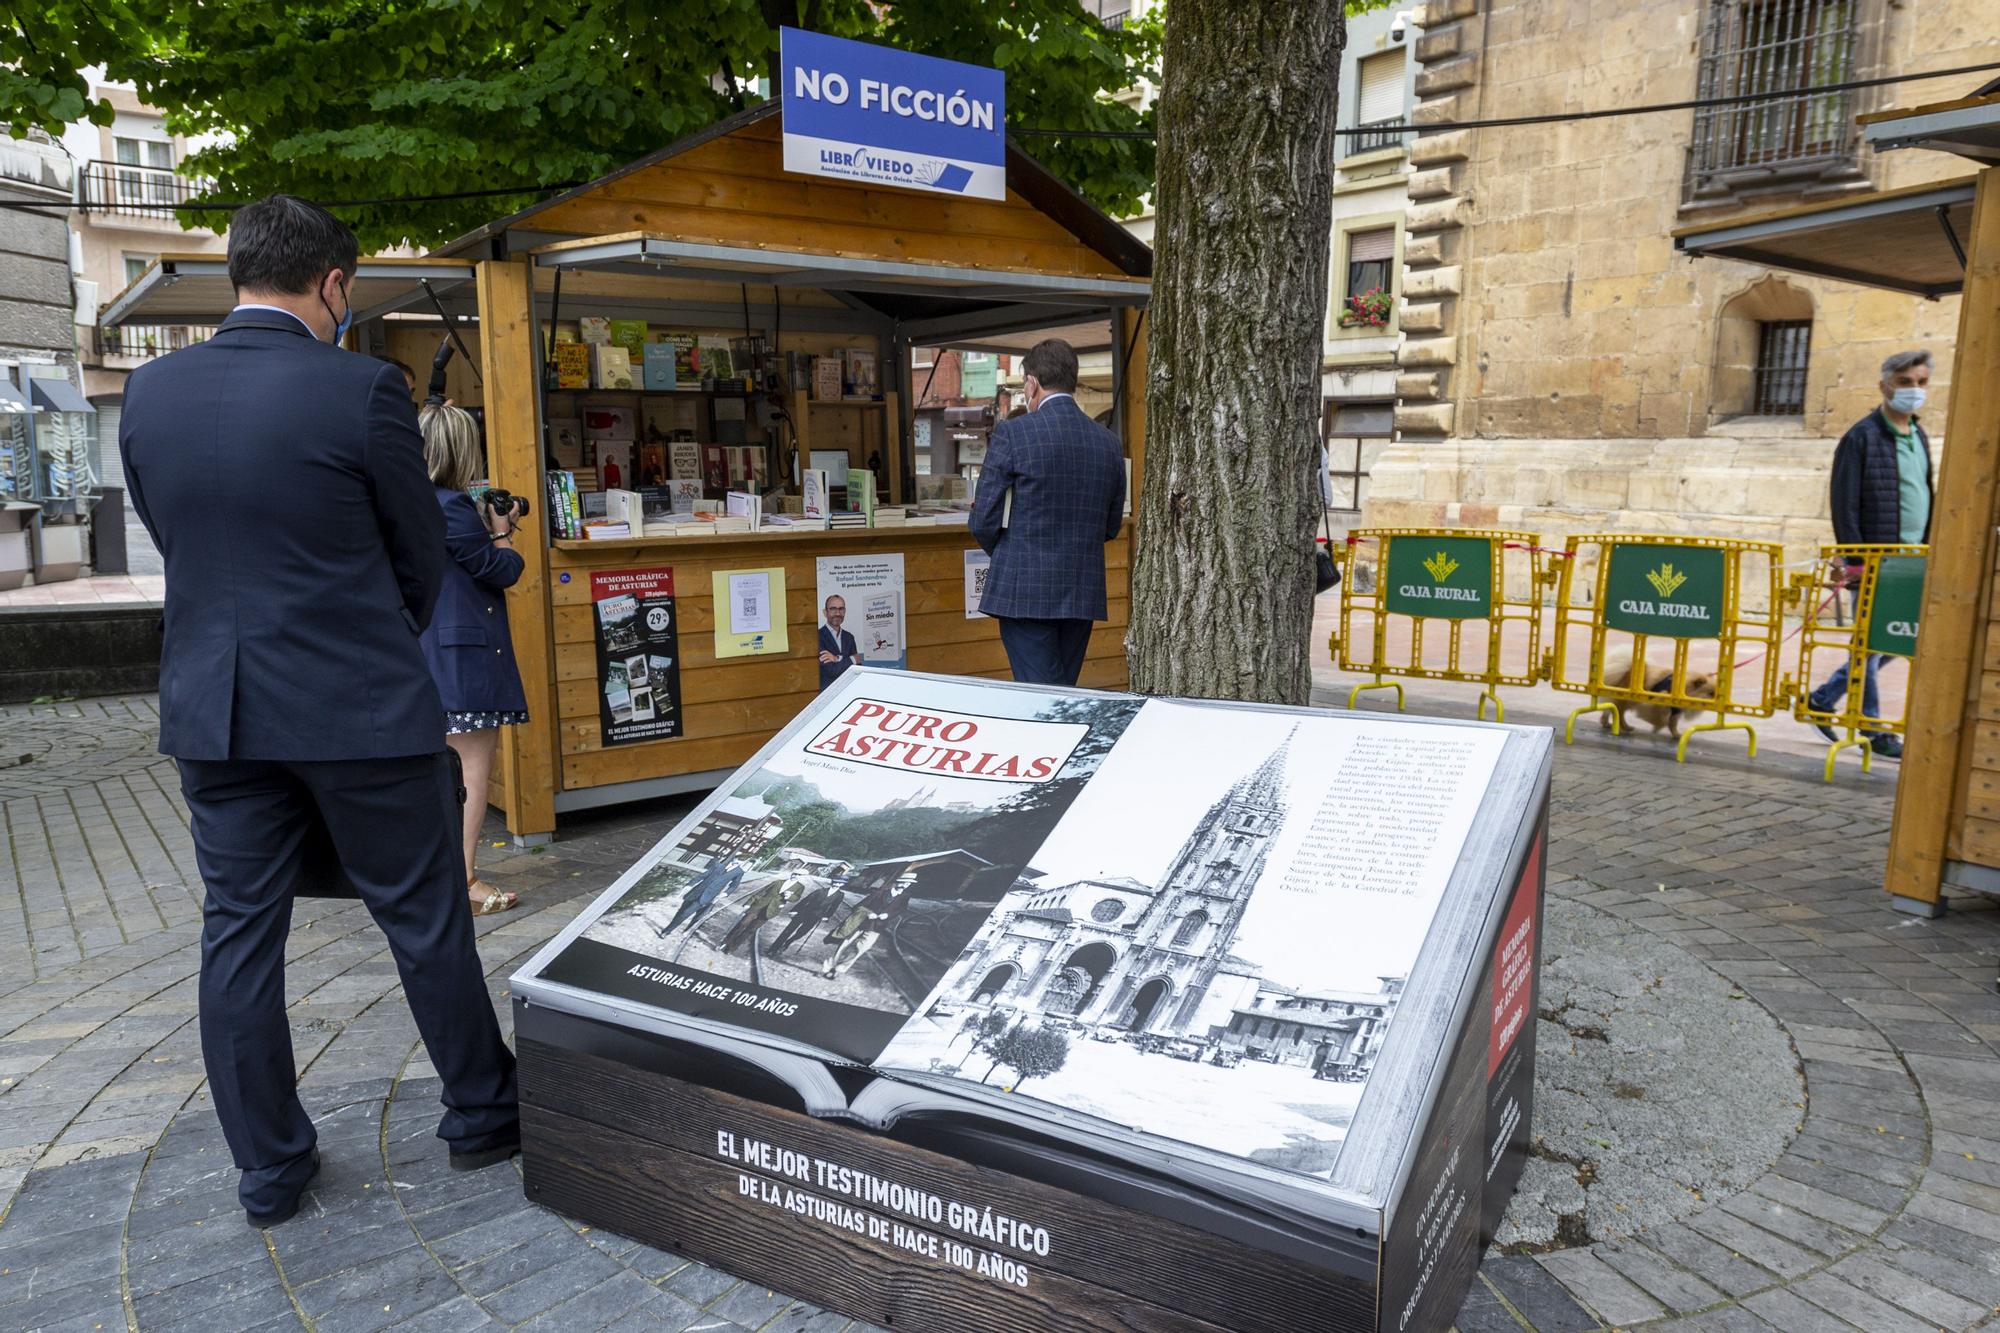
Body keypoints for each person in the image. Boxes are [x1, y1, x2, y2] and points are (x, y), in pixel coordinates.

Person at [119, 195, 519, 1228]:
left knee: (238, 934)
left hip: (216, 708)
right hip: (357, 703)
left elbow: (176, 538)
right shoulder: (360, 390)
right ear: (333, 284)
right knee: (424, 917)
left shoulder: (150, 392)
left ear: (237, 274)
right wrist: (369, 636)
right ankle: (480, 1112)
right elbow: (417, 551)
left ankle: (268, 1168)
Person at [417, 402, 528, 915]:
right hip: (461, 658)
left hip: (422, 650)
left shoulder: (404, 500)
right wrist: (501, 531)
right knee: (470, 772)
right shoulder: (451, 506)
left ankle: (434, 876)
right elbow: (496, 569)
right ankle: (463, 880)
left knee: (433, 774)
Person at [969, 338, 1126, 686]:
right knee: (1061, 691)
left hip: (1024, 590)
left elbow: (983, 518)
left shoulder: (1013, 433)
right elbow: (1111, 524)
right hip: (1081, 587)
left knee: (1044, 697)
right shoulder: (1107, 442)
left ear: (1031, 383)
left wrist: (1013, 551)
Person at [1809, 348, 1935, 759]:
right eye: (1904, 383)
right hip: (1875, 561)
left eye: (1920, 382)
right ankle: (1870, 726)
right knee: (1871, 643)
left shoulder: (1918, 434)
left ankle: (1823, 699)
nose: (1914, 390)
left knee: (1895, 641)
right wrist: (1854, 559)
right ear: (1884, 386)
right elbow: (1844, 501)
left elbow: (1924, 493)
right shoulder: (1861, 436)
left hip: (1912, 561)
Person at [822, 875, 915, 979]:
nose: (906, 885)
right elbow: (858, 906)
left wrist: (888, 915)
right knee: (845, 943)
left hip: (877, 927)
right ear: (899, 881)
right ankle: (831, 965)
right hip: (861, 922)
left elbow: (900, 910)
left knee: (863, 947)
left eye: (909, 884)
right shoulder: (880, 892)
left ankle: (840, 967)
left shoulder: (904, 897)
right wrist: (868, 913)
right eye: (905, 883)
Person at [770, 866, 853, 957]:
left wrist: (827, 916)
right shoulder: (820, 891)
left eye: (839, 883)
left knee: (801, 933)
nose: (836, 884)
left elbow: (834, 907)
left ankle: (788, 942)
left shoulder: (840, 895)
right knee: (788, 931)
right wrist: (794, 910)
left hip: (816, 917)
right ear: (832, 881)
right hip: (803, 913)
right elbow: (805, 900)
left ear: (842, 885)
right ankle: (773, 949)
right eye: (835, 882)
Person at [720, 872, 804, 956]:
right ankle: (726, 942)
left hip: (771, 910)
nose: (796, 876)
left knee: (751, 930)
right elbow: (762, 891)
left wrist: (789, 896)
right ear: (791, 874)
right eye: (795, 874)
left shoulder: (800, 887)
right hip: (759, 905)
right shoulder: (778, 882)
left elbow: (796, 898)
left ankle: (733, 947)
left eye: (799, 875)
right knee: (743, 923)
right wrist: (749, 902)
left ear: (802, 877)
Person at [656, 858, 745, 937]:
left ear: (742, 862)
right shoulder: (719, 866)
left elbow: (734, 886)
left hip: (706, 897)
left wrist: (725, 893)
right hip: (695, 892)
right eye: (737, 858)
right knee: (681, 912)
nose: (737, 861)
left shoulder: (738, 872)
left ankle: (667, 931)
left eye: (740, 860)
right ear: (734, 859)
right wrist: (690, 884)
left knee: (685, 913)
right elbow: (703, 875)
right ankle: (669, 927)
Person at [818, 594, 862, 690]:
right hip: (827, 692)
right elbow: (831, 671)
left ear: (845, 611)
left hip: (848, 690)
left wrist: (836, 659)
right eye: (833, 609)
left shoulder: (849, 637)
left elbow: (857, 669)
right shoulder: (818, 637)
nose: (837, 613)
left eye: (841, 609)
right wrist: (852, 659)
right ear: (825, 612)